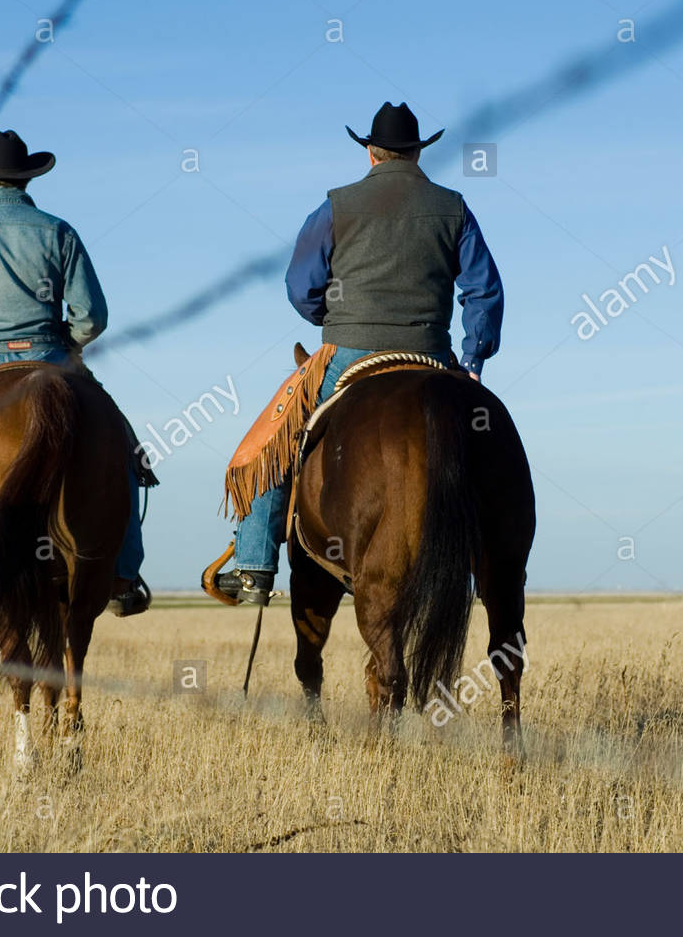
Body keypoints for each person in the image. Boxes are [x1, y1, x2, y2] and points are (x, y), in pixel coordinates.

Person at [214, 102, 505, 605]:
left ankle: (254, 566)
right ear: (416, 153)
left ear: (370, 152)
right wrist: (473, 361)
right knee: (488, 449)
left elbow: (300, 286)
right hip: (432, 357)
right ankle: (494, 564)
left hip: (346, 353)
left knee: (271, 444)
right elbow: (483, 291)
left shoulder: (334, 206)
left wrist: (329, 320)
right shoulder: (453, 207)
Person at [0, 129, 149, 621]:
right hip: (53, 361)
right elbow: (92, 318)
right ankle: (122, 575)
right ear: (29, 177)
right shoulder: (59, 230)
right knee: (125, 455)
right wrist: (64, 342)